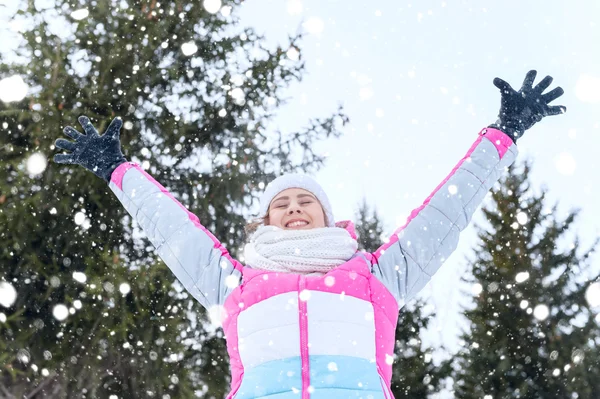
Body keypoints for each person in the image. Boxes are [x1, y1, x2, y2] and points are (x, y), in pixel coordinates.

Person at [54, 70, 566, 398]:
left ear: (328, 217)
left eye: (306, 202)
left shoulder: (377, 277)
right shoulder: (234, 284)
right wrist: (118, 171)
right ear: (264, 221)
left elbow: (444, 215)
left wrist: (503, 136)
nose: (295, 209)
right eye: (282, 203)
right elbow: (172, 231)